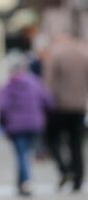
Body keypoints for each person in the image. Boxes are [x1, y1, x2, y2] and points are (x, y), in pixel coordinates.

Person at [0, 51, 53, 196]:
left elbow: (2, 107)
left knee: (22, 154)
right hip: (35, 124)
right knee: (25, 153)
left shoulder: (8, 85)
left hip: (16, 126)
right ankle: (21, 183)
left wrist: (3, 124)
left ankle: (26, 182)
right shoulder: (35, 81)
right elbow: (48, 101)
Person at [43, 31, 88, 192]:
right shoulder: (84, 53)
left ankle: (65, 169)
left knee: (52, 139)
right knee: (76, 143)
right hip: (79, 107)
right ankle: (78, 179)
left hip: (59, 107)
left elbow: (48, 83)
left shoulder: (55, 54)